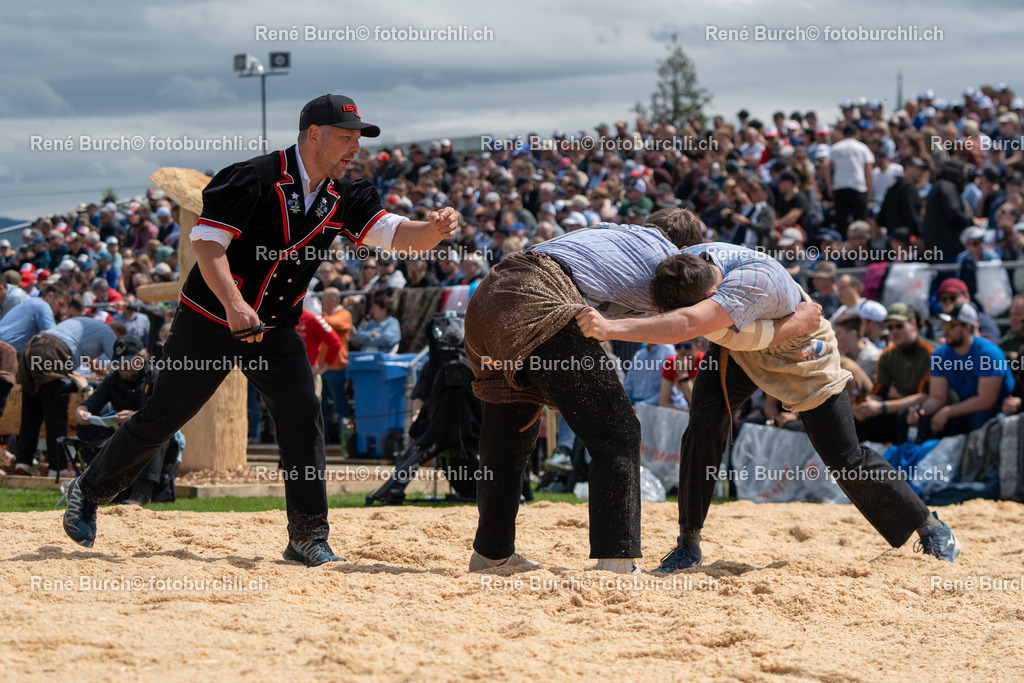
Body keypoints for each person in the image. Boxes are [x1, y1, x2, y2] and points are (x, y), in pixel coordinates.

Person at [64, 94, 458, 565]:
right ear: (315, 135)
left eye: (358, 138)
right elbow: (208, 246)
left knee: (302, 415)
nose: (356, 147)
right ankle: (88, 490)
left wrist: (434, 229)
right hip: (211, 319)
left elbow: (395, 234)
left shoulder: (346, 194)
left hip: (274, 326)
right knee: (161, 419)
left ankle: (307, 536)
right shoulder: (252, 177)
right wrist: (234, 305)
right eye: (346, 137)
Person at [465, 210, 822, 575]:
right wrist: (797, 321)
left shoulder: (606, 232)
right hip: (538, 300)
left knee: (509, 432)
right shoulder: (671, 265)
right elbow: (692, 323)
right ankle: (616, 559)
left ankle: (492, 554)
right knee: (617, 430)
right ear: (685, 248)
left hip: (484, 301)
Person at [576, 241, 961, 570]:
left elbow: (700, 324)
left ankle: (929, 525)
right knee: (704, 425)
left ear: (710, 295)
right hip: (742, 347)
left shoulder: (754, 283)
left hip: (801, 352)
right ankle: (688, 541)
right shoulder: (686, 266)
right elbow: (687, 312)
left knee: (845, 457)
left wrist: (609, 327)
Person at [74, 336, 174, 505]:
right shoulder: (112, 379)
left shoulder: (156, 376)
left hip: (154, 432)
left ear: (140, 360)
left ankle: (141, 493)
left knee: (156, 433)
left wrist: (136, 415)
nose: (122, 368)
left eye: (126, 363)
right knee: (84, 427)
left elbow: (164, 411)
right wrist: (82, 410)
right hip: (125, 433)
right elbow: (92, 402)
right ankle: (100, 483)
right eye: (119, 363)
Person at [912, 302, 1014, 440]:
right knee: (925, 419)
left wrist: (948, 411)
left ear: (967, 327)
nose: (945, 330)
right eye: (943, 325)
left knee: (979, 418)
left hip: (999, 410)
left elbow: (986, 401)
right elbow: (938, 397)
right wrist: (920, 411)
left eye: (950, 325)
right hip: (966, 408)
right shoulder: (940, 355)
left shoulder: (988, 353)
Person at [852, 303, 934, 444]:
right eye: (890, 327)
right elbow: (879, 392)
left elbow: (925, 396)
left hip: (925, 409)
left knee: (904, 417)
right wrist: (865, 406)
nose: (894, 331)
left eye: (899, 326)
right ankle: (861, 463)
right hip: (900, 407)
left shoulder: (930, 352)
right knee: (857, 417)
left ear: (913, 324)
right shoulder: (887, 355)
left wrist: (881, 407)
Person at [829, 124, 874, 237]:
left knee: (841, 222)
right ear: (857, 134)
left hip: (840, 187)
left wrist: (830, 185)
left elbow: (825, 164)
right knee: (860, 222)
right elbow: (869, 171)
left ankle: (842, 249)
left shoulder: (836, 147)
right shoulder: (862, 147)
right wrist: (869, 190)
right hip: (858, 187)